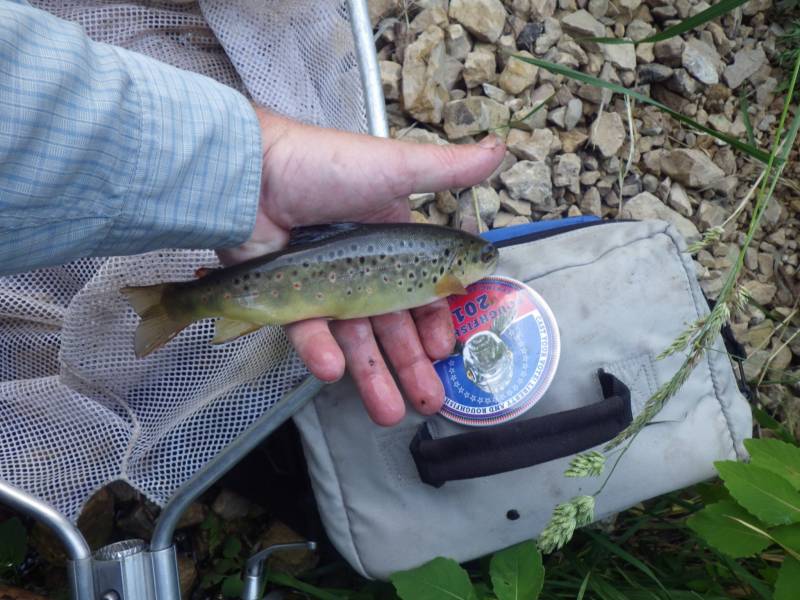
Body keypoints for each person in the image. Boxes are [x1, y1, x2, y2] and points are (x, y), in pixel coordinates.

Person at [0, 0, 506, 426]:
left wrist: (258, 166)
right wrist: (259, 167)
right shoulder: (443, 273)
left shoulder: (441, 269)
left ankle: (183, 302)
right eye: (481, 258)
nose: (486, 261)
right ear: (454, 269)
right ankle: (181, 303)